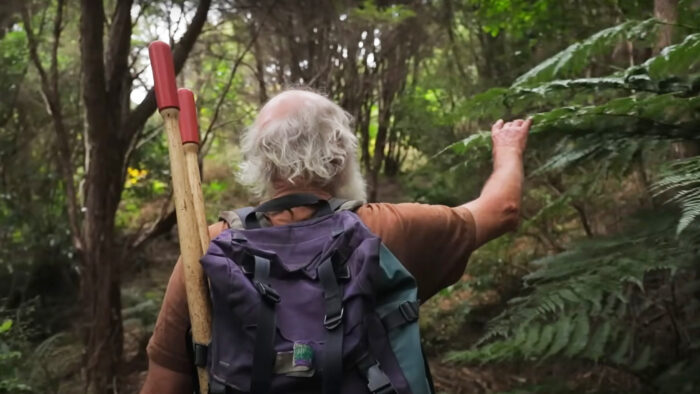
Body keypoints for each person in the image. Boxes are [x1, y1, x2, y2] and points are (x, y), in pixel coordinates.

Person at [140, 89, 531, 393]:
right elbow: (503, 209)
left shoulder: (205, 251)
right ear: (340, 155)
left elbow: (164, 383)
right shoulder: (385, 232)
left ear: (260, 161)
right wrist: (508, 150)